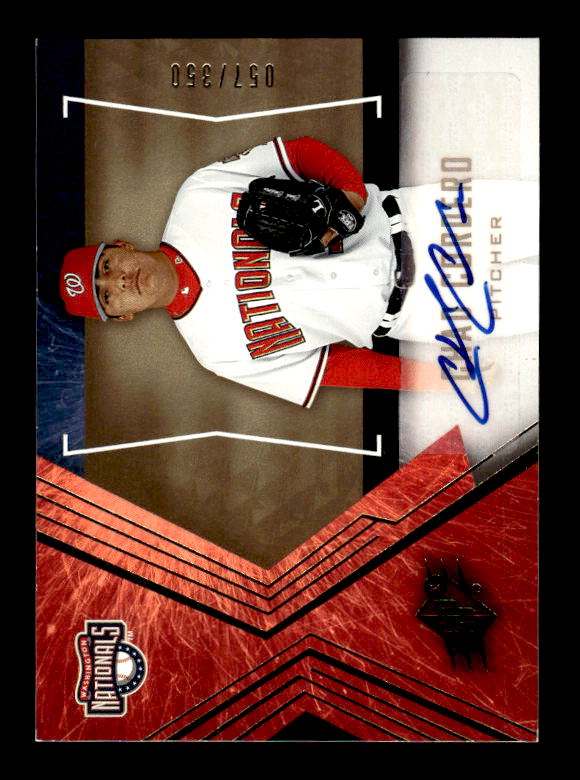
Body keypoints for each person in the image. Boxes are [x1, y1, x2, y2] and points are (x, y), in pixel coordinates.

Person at [60, 136, 537, 408]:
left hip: (420, 220)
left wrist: (350, 195)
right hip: (427, 312)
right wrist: (433, 379)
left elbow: (300, 152)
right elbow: (333, 367)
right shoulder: (215, 354)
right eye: (108, 295)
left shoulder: (198, 194)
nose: (119, 281)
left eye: (108, 266)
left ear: (120, 246)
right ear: (120, 316)